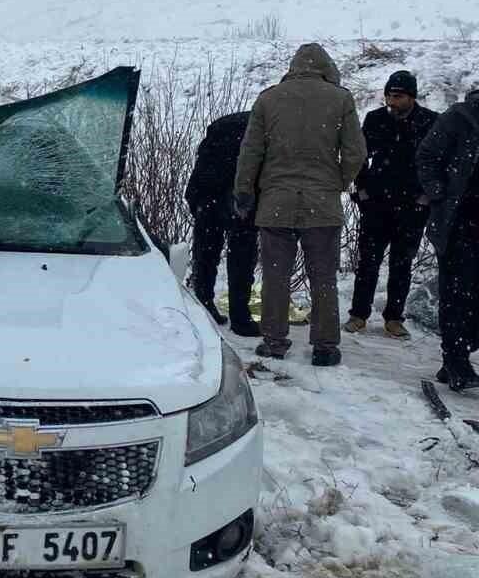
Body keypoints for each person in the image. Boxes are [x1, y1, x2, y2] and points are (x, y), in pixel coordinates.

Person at [233, 43, 366, 366]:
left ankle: (275, 341)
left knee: (276, 276)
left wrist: (244, 190)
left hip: (276, 201)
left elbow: (251, 152)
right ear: (326, 68)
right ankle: (325, 346)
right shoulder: (340, 99)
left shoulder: (269, 98)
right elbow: (356, 153)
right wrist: (337, 183)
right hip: (322, 203)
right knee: (323, 277)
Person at [344, 71, 438, 340]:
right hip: (376, 204)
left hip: (413, 207)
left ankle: (394, 318)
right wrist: (362, 189)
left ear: (411, 97)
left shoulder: (430, 121)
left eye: (397, 96)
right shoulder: (375, 119)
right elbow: (359, 156)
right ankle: (358, 314)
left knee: (402, 264)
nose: (391, 101)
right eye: (388, 95)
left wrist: (426, 196)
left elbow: (438, 162)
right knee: (367, 262)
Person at [416, 86, 479, 392]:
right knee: (458, 293)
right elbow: (426, 156)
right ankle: (456, 360)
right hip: (460, 223)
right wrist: (440, 193)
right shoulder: (459, 117)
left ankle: (458, 354)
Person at [184, 110, 260, 336]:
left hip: (207, 195)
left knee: (206, 253)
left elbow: (201, 165)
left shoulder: (221, 126)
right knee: (242, 257)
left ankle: (203, 304)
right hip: (239, 197)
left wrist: (195, 199)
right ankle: (240, 317)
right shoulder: (259, 127)